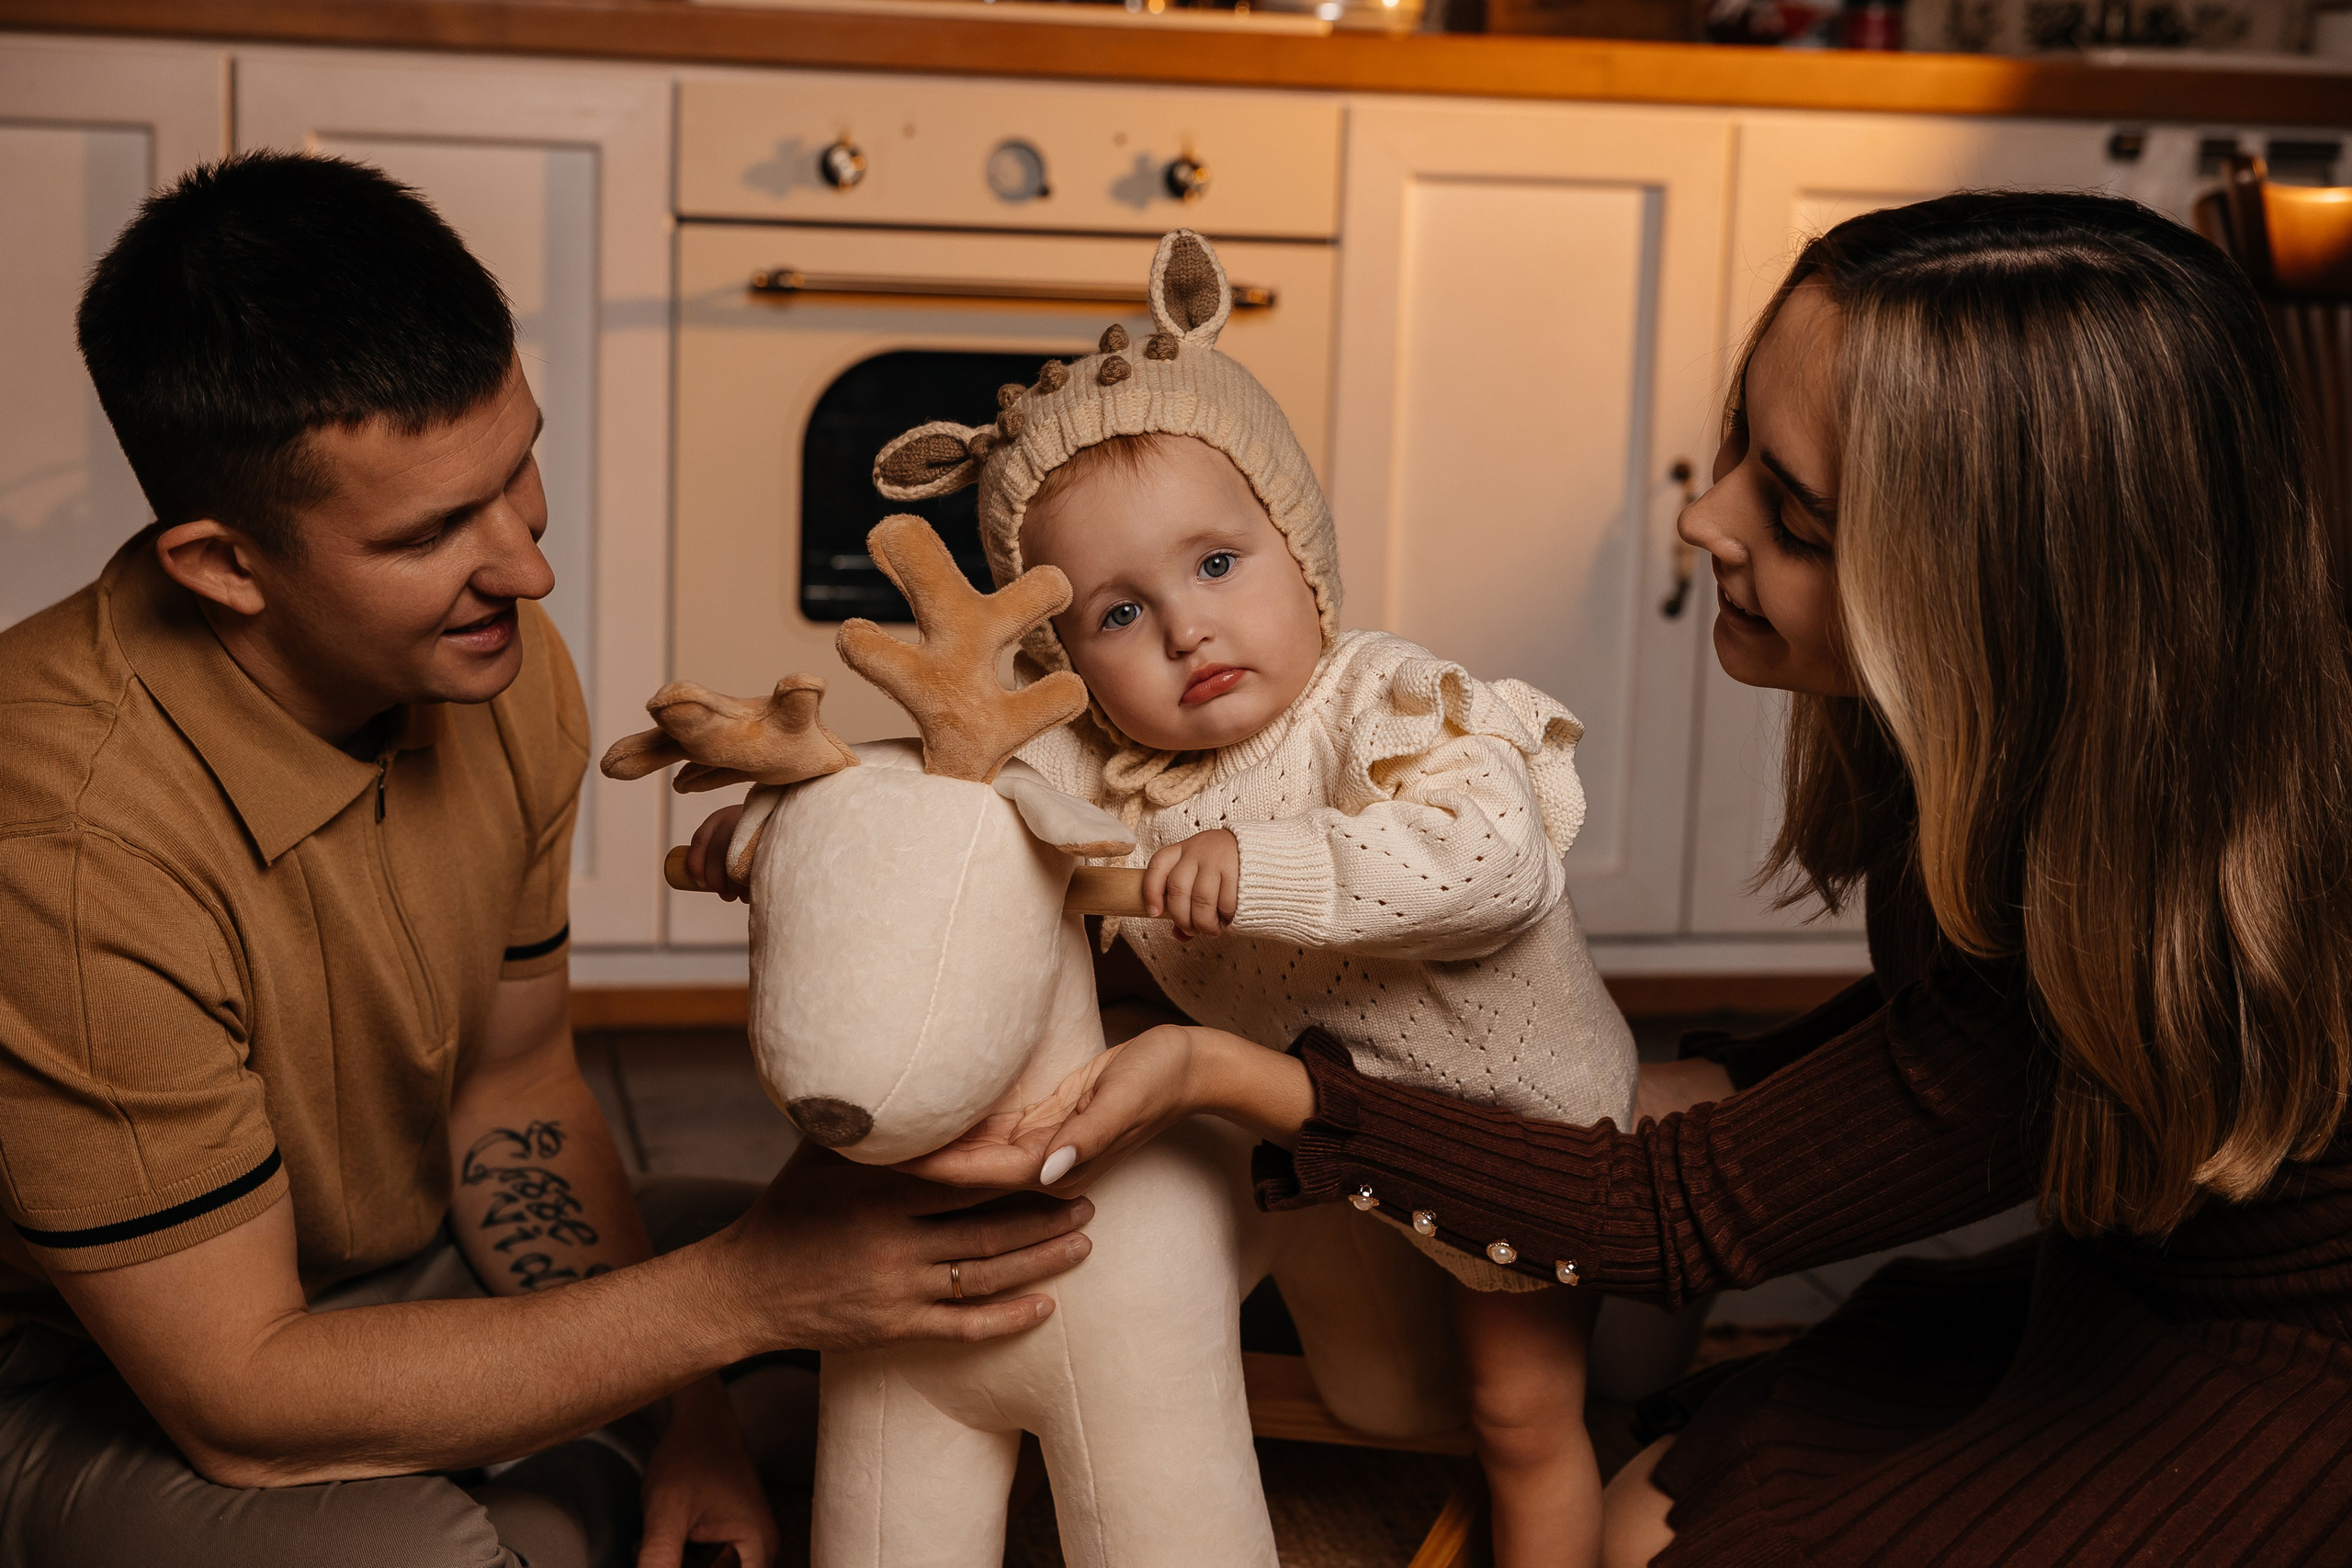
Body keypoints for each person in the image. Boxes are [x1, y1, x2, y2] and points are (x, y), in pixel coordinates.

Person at [908, 190, 2352, 1566]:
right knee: (1660, 1500)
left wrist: (1228, 1078)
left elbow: (1660, 1217)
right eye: (1734, 451)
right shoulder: (2069, 785)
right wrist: (1726, 1087)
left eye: (1791, 514)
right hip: (2111, 1293)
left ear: (1986, 591)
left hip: (2279, 1390)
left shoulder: (2166, 907)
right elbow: (1945, 1036)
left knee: (1689, 1537)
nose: (1702, 521)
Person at [0, 151, 1092, 1568]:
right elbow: (236, 1401)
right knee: (457, 1547)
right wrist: (743, 1305)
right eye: (433, 530)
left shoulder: (495, 671)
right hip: (104, 1376)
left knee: (953, 1285)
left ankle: (560, 1487)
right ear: (223, 566)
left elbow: (511, 1090)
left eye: (515, 469)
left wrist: (686, 1423)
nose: (527, 567)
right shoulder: (67, 845)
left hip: (393, 1266)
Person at [890, 226, 1641, 1568]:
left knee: (1519, 1412)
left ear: (1300, 553)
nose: (1184, 629)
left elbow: (1492, 865)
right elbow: (959, 773)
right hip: (1326, 1123)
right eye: (1117, 614)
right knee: (1372, 1388)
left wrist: (1269, 864)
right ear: (1068, 653)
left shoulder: (1381, 700)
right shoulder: (1120, 760)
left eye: (1216, 564)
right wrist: (802, 819)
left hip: (1516, 1118)